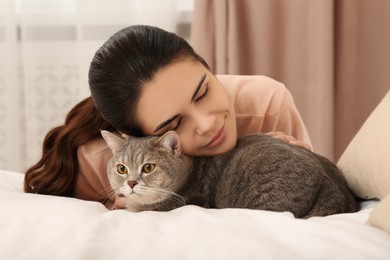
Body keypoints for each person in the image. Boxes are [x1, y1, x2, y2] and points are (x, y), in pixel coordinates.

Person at [24, 25, 311, 209]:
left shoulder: (266, 102)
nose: (207, 124)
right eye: (174, 124)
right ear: (134, 136)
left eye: (203, 92)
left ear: (206, 66)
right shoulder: (94, 158)